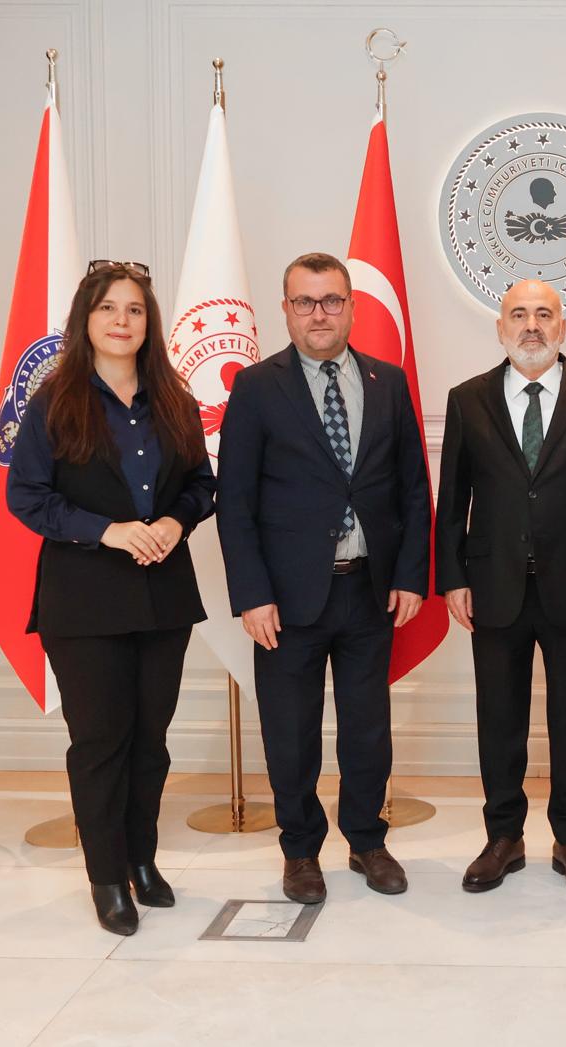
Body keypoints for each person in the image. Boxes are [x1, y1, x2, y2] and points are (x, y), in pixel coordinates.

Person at [8, 261, 216, 936]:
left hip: (163, 597)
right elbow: (27, 498)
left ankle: (143, 861)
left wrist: (173, 523)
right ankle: (106, 879)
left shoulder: (174, 400)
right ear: (86, 320)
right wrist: (110, 531)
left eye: (134, 310)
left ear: (148, 324)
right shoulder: (53, 402)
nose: (122, 321)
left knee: (150, 741)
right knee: (101, 742)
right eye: (108, 309)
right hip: (85, 601)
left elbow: (201, 486)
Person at [217, 252, 430, 904]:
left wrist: (411, 575)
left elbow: (412, 489)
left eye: (332, 300)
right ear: (286, 309)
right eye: (305, 301)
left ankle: (367, 839)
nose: (319, 313)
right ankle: (300, 851)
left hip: (368, 590)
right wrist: (251, 594)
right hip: (285, 600)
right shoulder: (256, 387)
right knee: (291, 731)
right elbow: (236, 502)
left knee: (367, 728)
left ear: (351, 307)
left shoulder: (388, 382)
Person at [435, 280, 566, 896]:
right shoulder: (467, 399)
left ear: (563, 326)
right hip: (492, 585)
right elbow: (452, 502)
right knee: (498, 716)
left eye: (544, 314)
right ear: (500, 328)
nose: (531, 326)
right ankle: (504, 836)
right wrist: (452, 579)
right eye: (518, 315)